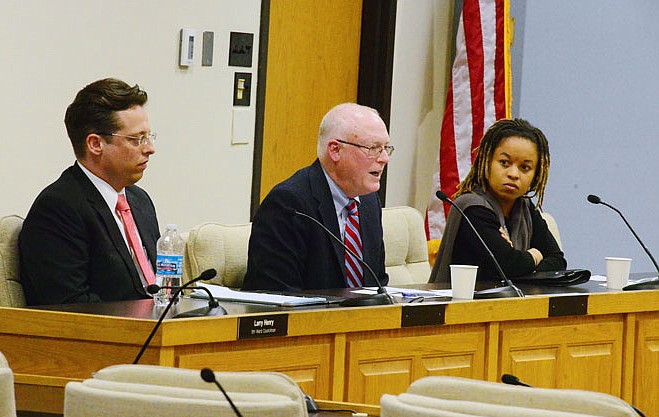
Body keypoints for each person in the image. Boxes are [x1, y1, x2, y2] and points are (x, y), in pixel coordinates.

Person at [19, 78, 160, 306]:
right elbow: (71, 304)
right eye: (137, 139)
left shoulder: (139, 200)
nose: (150, 149)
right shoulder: (58, 208)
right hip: (109, 336)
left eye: (149, 137)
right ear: (95, 144)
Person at [242, 103, 393, 291]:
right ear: (335, 150)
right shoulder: (289, 204)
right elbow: (277, 294)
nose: (384, 158)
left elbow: (377, 284)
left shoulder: (368, 201)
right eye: (373, 148)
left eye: (386, 148)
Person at [429, 118, 566, 284]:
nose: (513, 174)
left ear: (536, 174)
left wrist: (518, 259)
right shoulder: (472, 208)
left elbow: (558, 262)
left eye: (525, 167)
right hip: (466, 305)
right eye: (504, 163)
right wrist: (535, 255)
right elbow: (507, 265)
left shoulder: (525, 208)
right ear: (486, 161)